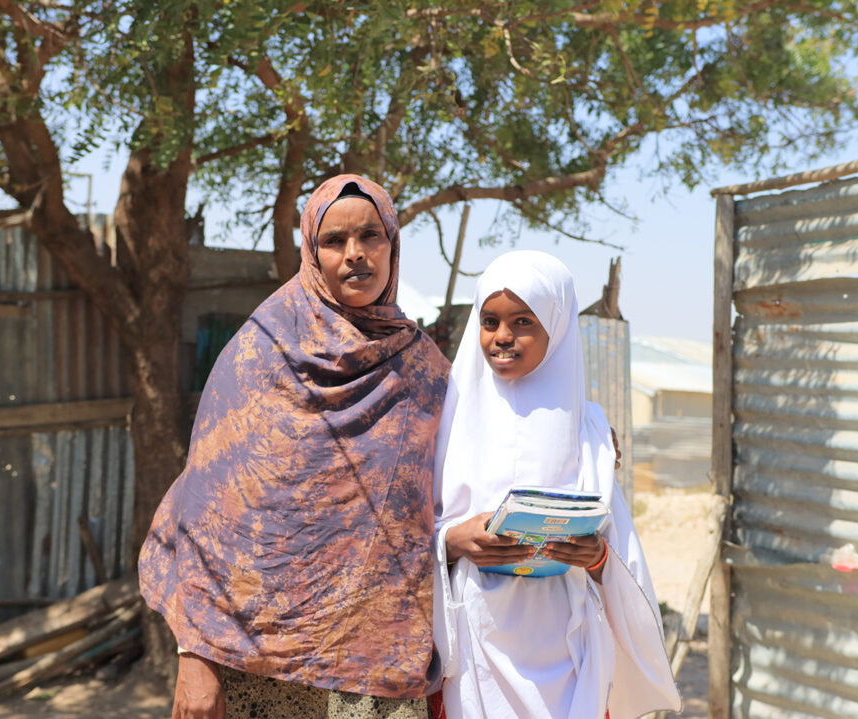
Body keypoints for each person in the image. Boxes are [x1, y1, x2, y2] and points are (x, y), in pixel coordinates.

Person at [139, 175, 449, 719]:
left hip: (376, 674)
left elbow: (484, 450)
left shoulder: (424, 368)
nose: (355, 255)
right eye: (334, 241)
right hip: (260, 667)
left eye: (370, 236)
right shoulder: (262, 352)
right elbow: (209, 519)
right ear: (311, 251)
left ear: (392, 244)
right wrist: (195, 655)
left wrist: (579, 436)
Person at [432, 251, 681, 719]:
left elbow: (615, 543)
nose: (502, 336)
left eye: (523, 321)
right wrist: (451, 540)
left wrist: (597, 558)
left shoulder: (587, 426)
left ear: (558, 327)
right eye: (489, 320)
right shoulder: (446, 415)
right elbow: (408, 530)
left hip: (569, 653)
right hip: (473, 646)